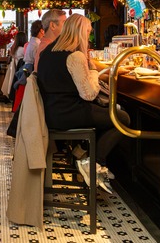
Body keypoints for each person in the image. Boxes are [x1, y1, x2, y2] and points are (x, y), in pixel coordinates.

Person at [37, 14, 131, 194]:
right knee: (122, 118)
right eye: (88, 32)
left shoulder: (47, 52)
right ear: (81, 32)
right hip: (68, 114)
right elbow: (88, 95)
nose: (89, 36)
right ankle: (94, 162)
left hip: (51, 112)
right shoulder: (75, 56)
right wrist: (94, 72)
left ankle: (82, 152)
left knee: (106, 116)